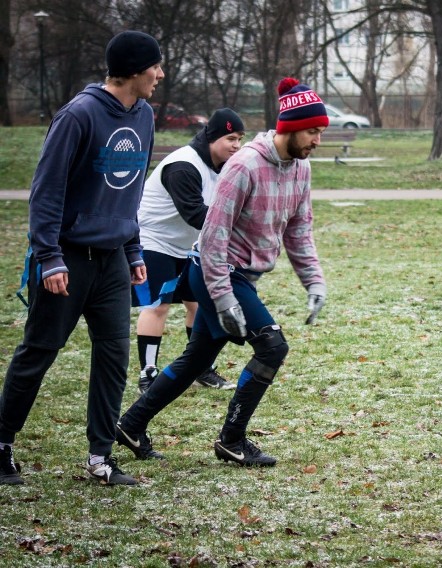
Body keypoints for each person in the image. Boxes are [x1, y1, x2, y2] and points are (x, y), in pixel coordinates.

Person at [114, 77, 328, 466]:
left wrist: (314, 281)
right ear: (291, 128)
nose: (317, 140)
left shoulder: (301, 169)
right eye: (313, 131)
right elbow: (213, 235)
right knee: (272, 346)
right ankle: (232, 439)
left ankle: (130, 423)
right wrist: (224, 297)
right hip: (216, 271)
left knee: (195, 360)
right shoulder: (244, 165)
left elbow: (299, 230)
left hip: (241, 276)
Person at [0, 31, 164, 485]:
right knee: (38, 352)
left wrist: (132, 248)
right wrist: (49, 257)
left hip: (113, 260)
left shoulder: (145, 116)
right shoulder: (79, 115)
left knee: (114, 357)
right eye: (155, 66)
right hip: (66, 260)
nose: (160, 74)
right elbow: (46, 192)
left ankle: (100, 457)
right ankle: (1, 443)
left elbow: (131, 190)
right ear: (134, 69)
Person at [133, 108, 246, 394]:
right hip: (154, 240)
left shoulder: (226, 166)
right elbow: (195, 214)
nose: (236, 145)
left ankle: (200, 368)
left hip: (189, 245)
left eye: (240, 139)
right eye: (230, 138)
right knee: (158, 305)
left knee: (198, 305)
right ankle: (148, 373)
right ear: (212, 137)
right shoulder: (183, 165)